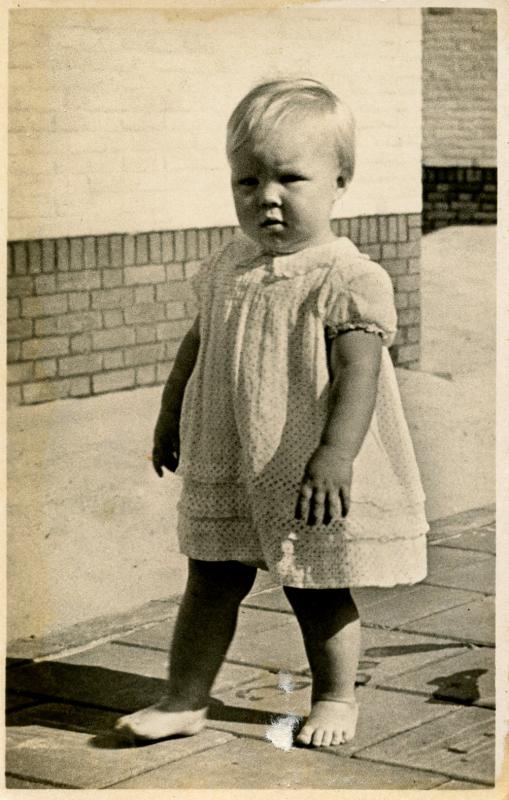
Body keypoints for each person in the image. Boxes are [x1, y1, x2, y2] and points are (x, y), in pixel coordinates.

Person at [115, 78, 428, 748]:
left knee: (313, 584)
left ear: (340, 180)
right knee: (209, 577)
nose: (267, 198)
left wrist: (335, 453)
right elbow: (194, 350)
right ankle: (184, 698)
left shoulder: (346, 278)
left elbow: (358, 374)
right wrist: (169, 418)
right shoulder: (228, 265)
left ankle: (336, 698)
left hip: (304, 459)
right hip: (228, 452)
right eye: (246, 181)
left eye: (290, 178)